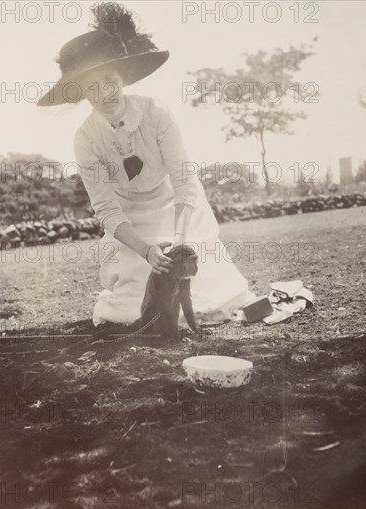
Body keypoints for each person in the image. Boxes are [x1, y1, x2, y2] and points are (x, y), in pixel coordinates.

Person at [38, 2, 255, 327]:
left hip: (180, 212)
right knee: (127, 312)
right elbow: (107, 209)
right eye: (91, 87)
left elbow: (184, 181)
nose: (105, 93)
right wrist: (147, 251)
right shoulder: (85, 138)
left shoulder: (156, 113)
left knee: (211, 297)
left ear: (122, 78)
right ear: (81, 92)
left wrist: (180, 241)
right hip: (133, 226)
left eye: (109, 80)